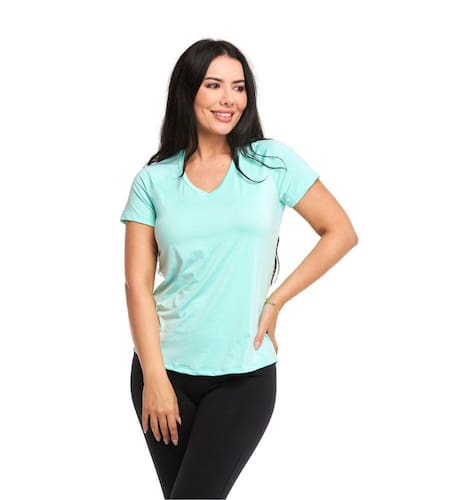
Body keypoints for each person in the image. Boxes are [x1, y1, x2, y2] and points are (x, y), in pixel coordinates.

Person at [120, 38, 358, 499]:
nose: (228, 98)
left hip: (244, 376)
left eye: (239, 87)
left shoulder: (271, 162)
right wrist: (154, 378)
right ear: (187, 91)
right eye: (213, 85)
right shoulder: (153, 180)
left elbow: (340, 232)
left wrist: (276, 300)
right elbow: (137, 284)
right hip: (164, 373)